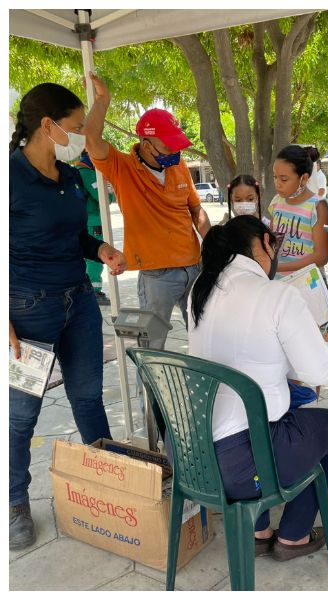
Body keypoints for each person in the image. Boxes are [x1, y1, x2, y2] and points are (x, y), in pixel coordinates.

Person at [188, 215, 328, 561]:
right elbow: (317, 370)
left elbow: (250, 351)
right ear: (263, 243)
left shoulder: (200, 290)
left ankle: (259, 531)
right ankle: (293, 536)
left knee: (261, 417)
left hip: (193, 455)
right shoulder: (276, 294)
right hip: (241, 466)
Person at [9, 82, 127, 551]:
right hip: (28, 309)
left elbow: (79, 237)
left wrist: (101, 248)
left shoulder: (72, 177)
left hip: (79, 303)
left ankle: (111, 482)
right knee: (22, 415)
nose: (80, 136)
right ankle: (16, 501)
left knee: (88, 399)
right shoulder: (9, 177)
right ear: (47, 125)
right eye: (75, 128)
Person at [82, 73, 210, 349]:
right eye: (167, 144)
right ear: (146, 142)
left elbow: (196, 209)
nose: (174, 150)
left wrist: (211, 240)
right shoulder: (122, 167)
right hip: (156, 275)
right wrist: (103, 101)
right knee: (152, 347)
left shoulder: (179, 166)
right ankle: (150, 395)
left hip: (194, 266)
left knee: (207, 336)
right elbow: (91, 139)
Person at [268, 145, 328, 277]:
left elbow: (321, 257)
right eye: (275, 177)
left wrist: (278, 267)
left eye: (284, 179)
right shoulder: (276, 201)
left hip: (306, 285)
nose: (277, 183)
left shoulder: (318, 207)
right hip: (278, 284)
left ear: (304, 179)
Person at [72, 151, 114, 305]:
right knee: (97, 256)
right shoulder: (87, 173)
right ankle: (94, 291)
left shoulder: (76, 171)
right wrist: (111, 195)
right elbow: (101, 196)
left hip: (86, 219)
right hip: (94, 220)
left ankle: (87, 288)